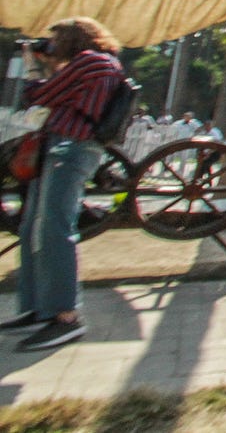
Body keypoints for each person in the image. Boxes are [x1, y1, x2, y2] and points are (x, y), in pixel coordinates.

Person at [3, 17, 125, 352]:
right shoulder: (100, 63)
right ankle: (39, 309)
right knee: (32, 228)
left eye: (56, 41)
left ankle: (65, 316)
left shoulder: (90, 62)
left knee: (54, 229)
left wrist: (33, 68)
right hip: (60, 145)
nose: (52, 46)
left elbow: (39, 95)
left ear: (73, 39)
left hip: (71, 146)